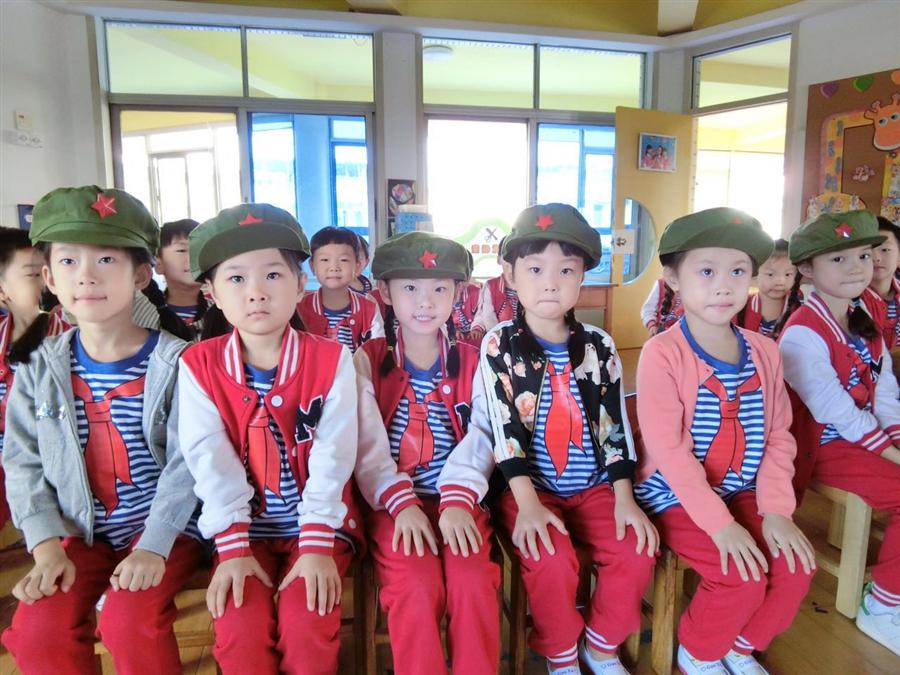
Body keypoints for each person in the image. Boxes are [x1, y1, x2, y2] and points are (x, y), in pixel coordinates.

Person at [1, 186, 202, 674]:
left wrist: (153, 544)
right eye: (68, 261)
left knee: (130, 622)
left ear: (141, 274)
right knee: (38, 631)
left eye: (106, 260)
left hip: (168, 531)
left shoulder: (180, 363)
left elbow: (188, 464)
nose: (86, 276)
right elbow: (22, 462)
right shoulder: (38, 367)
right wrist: (46, 546)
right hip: (82, 533)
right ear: (49, 277)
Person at [177, 204, 361, 674]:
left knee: (308, 620)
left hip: (317, 527)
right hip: (241, 530)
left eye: (273, 275)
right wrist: (234, 547)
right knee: (239, 626)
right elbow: (208, 458)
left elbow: (335, 454)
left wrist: (316, 544)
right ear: (212, 293)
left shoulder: (332, 359)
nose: (256, 292)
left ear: (301, 285)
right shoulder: (198, 365)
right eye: (236, 278)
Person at [634, 207, 814, 675]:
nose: (723, 286)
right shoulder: (662, 353)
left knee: (796, 565)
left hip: (743, 488)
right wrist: (720, 525)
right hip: (674, 494)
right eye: (707, 271)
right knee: (740, 576)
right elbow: (670, 452)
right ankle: (699, 651)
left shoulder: (765, 351)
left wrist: (776, 511)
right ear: (673, 278)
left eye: (737, 271)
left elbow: (778, 436)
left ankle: (740, 645)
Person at [480, 204, 658, 674]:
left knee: (636, 545)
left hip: (596, 486)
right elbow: (504, 429)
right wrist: (527, 504)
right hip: (530, 488)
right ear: (510, 274)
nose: (550, 283)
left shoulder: (599, 345)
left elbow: (614, 426)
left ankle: (601, 647)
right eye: (535, 269)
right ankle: (560, 654)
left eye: (566, 270)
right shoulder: (499, 343)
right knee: (550, 557)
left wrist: (625, 498)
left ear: (582, 277)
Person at [353, 231, 500, 674]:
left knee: (473, 582)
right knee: (415, 586)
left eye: (439, 289)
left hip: (460, 499)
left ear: (459, 294)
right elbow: (363, 442)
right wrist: (400, 503)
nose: (425, 302)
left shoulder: (474, 360)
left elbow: (484, 432)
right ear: (385, 293)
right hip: (392, 505)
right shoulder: (366, 359)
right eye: (410, 288)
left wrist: (457, 500)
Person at [778, 210, 900, 656]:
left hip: (863, 439)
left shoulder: (864, 313)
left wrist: (896, 436)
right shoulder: (801, 333)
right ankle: (882, 606)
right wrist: (893, 454)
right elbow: (837, 413)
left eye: (863, 255)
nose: (856, 268)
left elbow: (885, 389)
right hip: (822, 447)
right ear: (806, 270)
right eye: (838, 259)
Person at [0, 227, 69, 529]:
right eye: (33, 274)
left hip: (53, 472)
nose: (47, 281)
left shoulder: (70, 341)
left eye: (49, 270)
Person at [298, 226, 383, 353]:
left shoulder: (369, 308)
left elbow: (379, 349)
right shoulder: (300, 308)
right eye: (325, 260)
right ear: (312, 266)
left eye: (343, 260)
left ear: (357, 266)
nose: (334, 267)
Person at [154, 218, 208, 338]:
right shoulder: (146, 313)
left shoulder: (223, 309)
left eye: (200, 250)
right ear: (159, 264)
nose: (194, 257)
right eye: (182, 250)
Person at [735, 239, 798, 338]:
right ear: (754, 274)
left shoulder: (798, 307)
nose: (780, 282)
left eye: (788, 274)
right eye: (770, 274)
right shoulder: (739, 308)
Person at [471, 236, 518, 334]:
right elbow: (488, 316)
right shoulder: (491, 286)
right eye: (507, 264)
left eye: (517, 262)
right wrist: (499, 337)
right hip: (498, 335)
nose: (511, 269)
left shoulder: (529, 286)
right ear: (499, 260)